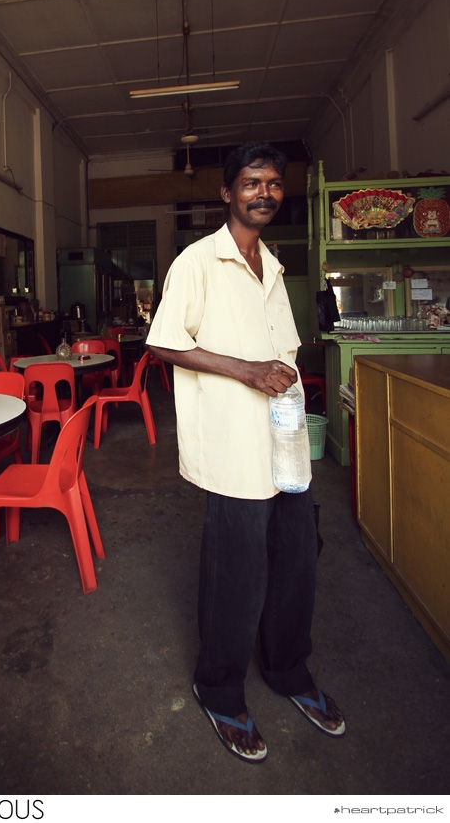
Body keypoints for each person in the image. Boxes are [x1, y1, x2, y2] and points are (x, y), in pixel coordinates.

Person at [146, 142, 344, 763]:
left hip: (281, 441)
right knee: (237, 572)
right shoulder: (198, 262)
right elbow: (164, 344)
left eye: (274, 184)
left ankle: (288, 671)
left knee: (295, 561)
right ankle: (221, 690)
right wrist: (246, 370)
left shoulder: (274, 265)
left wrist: (283, 384)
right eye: (252, 183)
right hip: (232, 441)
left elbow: (280, 352)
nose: (265, 192)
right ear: (228, 193)